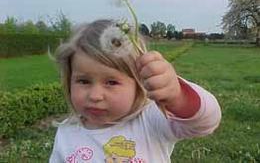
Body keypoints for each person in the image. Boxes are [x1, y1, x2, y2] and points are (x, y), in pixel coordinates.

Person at [49, 19, 221, 163]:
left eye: (111, 82)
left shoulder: (152, 120)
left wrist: (178, 97)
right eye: (83, 81)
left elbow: (205, 123)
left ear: (139, 84)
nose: (95, 96)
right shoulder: (67, 133)